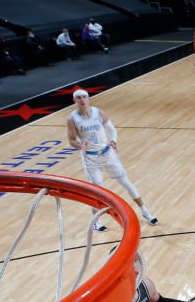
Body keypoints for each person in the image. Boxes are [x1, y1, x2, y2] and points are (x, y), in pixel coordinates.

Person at [67, 89, 159, 231]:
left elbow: (113, 130)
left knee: (125, 181)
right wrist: (80, 145)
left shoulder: (99, 113)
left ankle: (145, 211)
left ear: (89, 98)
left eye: (84, 97)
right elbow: (71, 140)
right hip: (90, 157)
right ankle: (97, 220)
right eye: (78, 98)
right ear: (75, 101)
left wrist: (113, 141)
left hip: (107, 153)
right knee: (97, 189)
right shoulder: (72, 119)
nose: (82, 100)